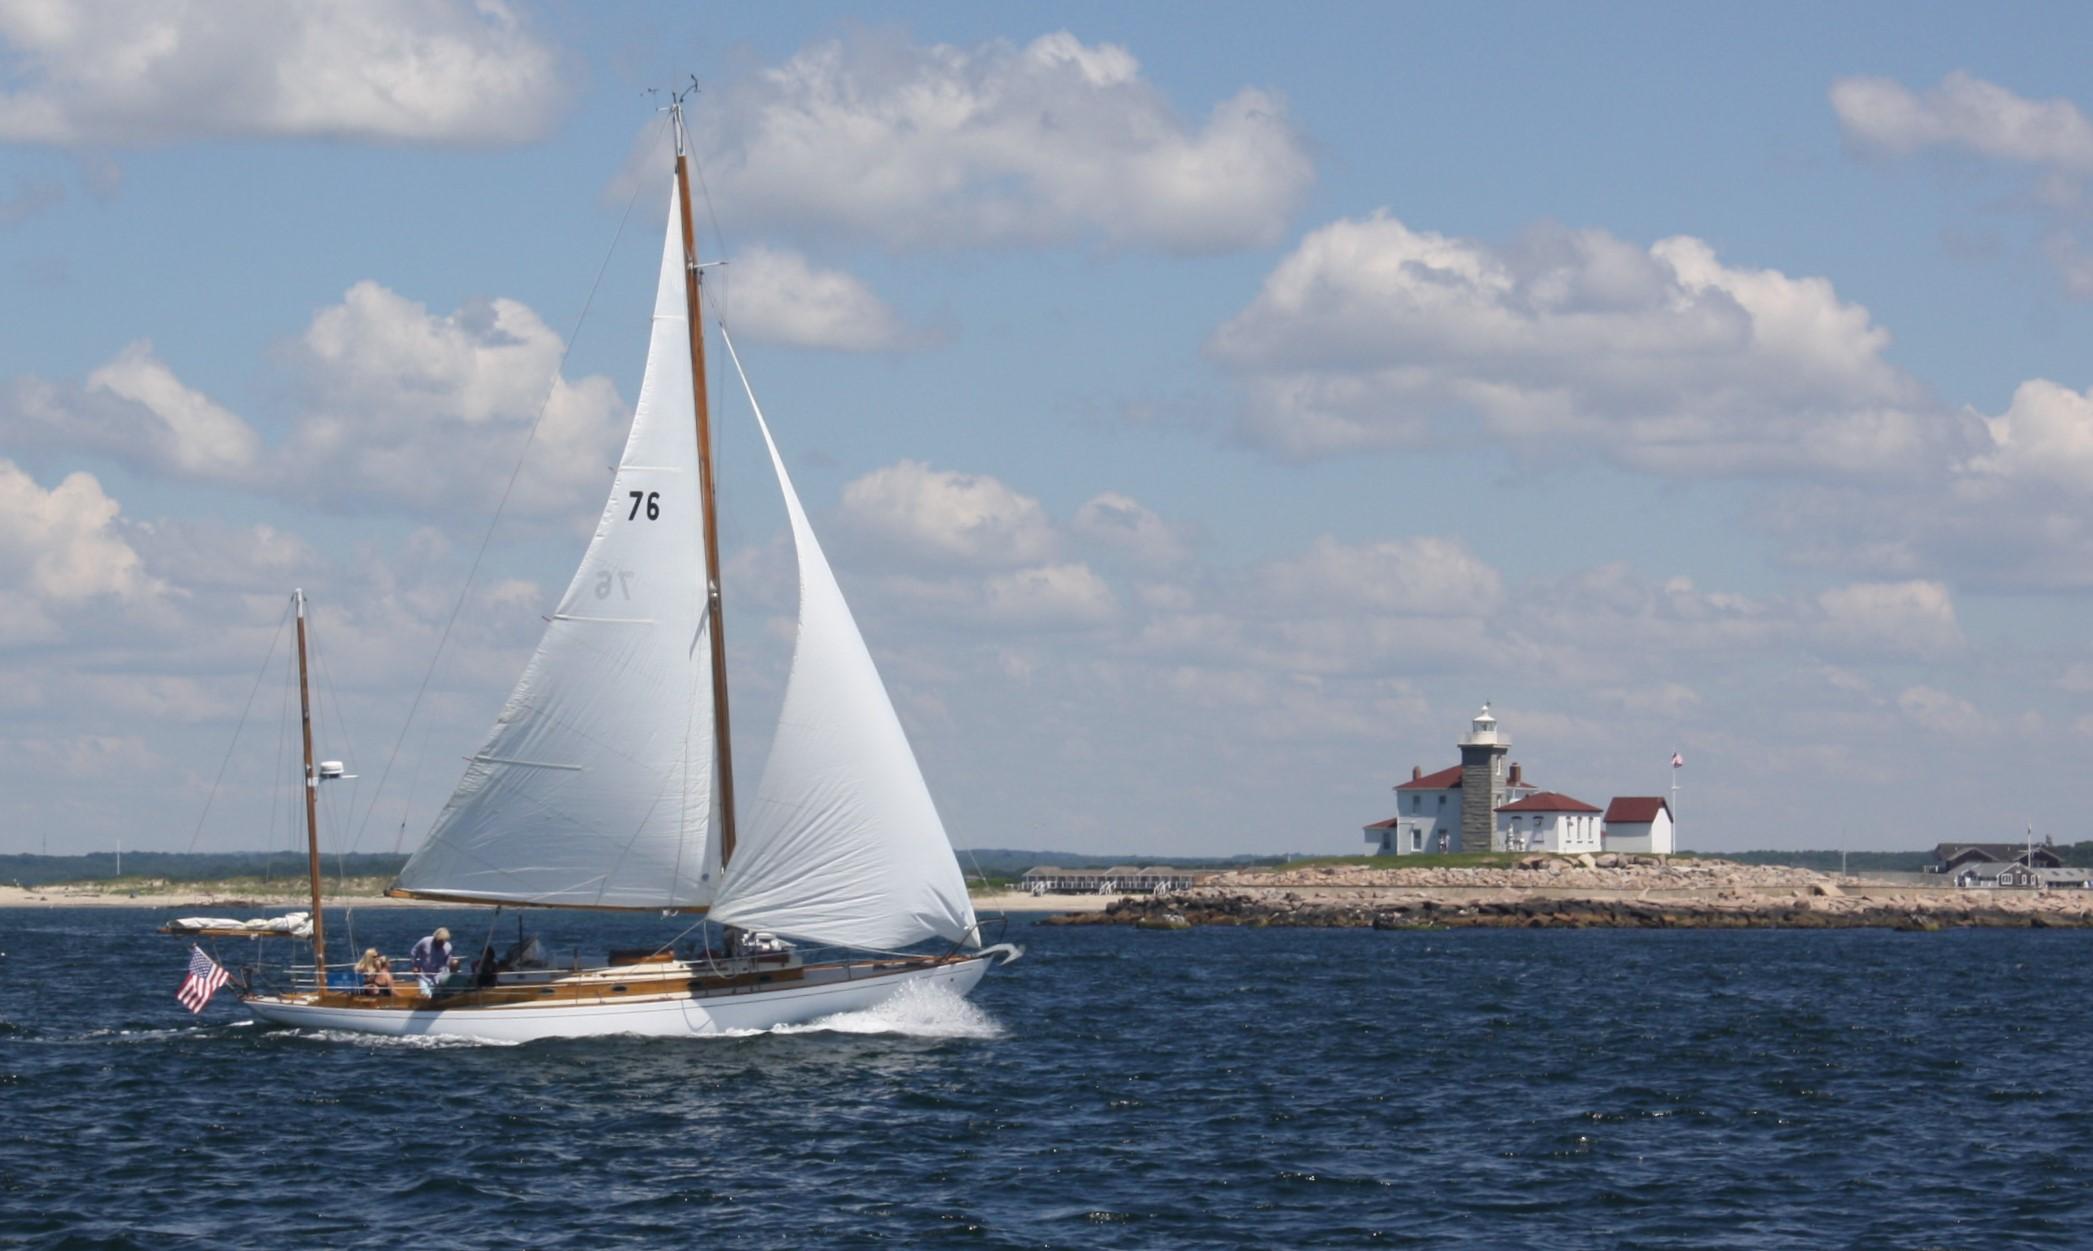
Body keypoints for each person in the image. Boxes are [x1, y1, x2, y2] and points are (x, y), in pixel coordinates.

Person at [410, 926, 456, 993]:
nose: (441, 943)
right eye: (439, 941)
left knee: (439, 996)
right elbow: (414, 951)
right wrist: (415, 965)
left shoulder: (448, 947)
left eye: (443, 941)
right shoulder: (425, 941)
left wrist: (447, 975)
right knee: (425, 994)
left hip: (439, 976)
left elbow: (447, 963)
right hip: (424, 975)